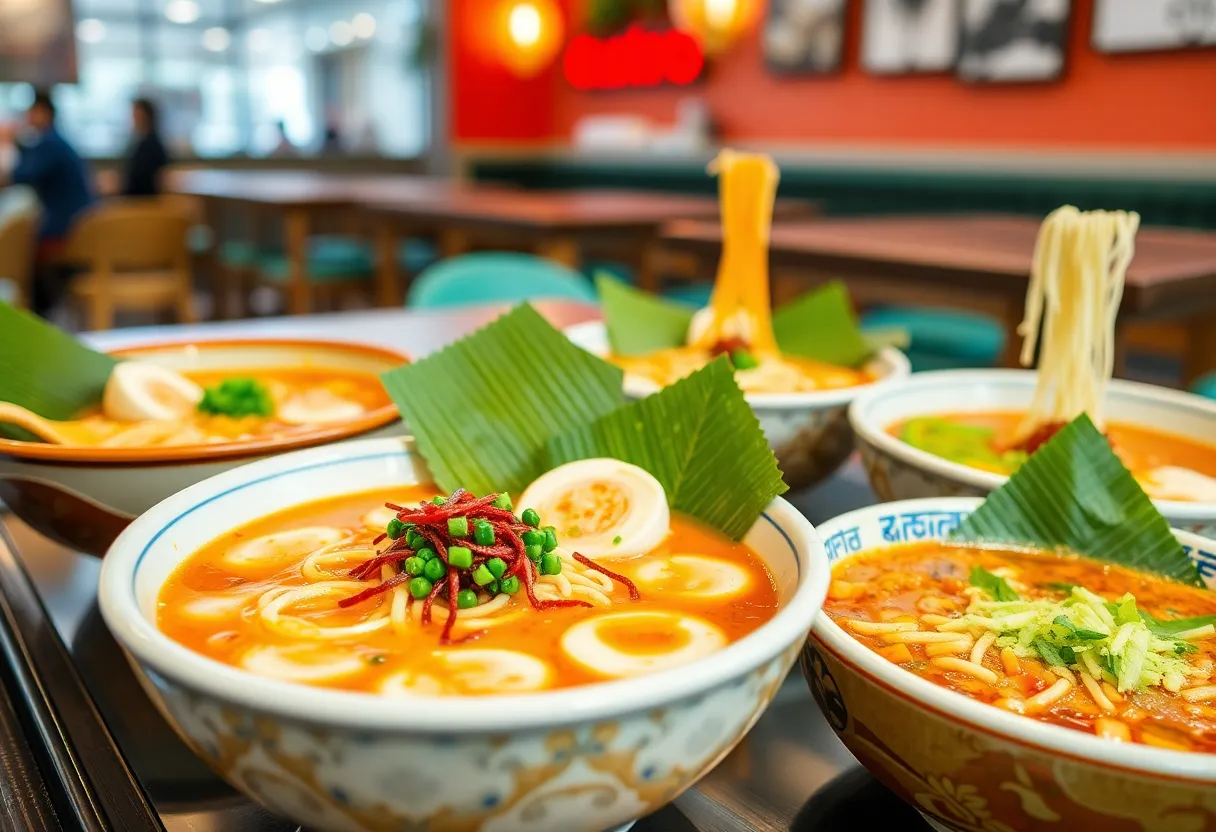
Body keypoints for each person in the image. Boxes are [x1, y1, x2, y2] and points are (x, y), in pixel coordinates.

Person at [0, 90, 94, 317]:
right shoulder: (54, 140)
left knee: (23, 243)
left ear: (44, 113)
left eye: (32, 112)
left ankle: (35, 308)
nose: (28, 118)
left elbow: (23, 174)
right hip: (76, 218)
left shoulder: (50, 143)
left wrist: (10, 140)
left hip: (66, 223)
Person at [122, 97, 170, 197]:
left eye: (136, 115)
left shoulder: (151, 146)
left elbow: (142, 178)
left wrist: (120, 182)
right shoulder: (139, 142)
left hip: (144, 199)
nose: (133, 119)